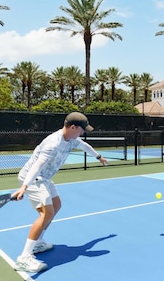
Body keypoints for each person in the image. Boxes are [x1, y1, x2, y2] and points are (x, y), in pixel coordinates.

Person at [11, 112, 108, 272]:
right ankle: (24, 258)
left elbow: (85, 146)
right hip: (34, 178)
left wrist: (99, 157)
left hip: (45, 178)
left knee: (56, 205)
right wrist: (24, 186)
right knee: (46, 213)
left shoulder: (71, 139)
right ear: (72, 127)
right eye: (81, 130)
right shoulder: (53, 143)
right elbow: (37, 166)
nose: (82, 133)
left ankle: (38, 243)